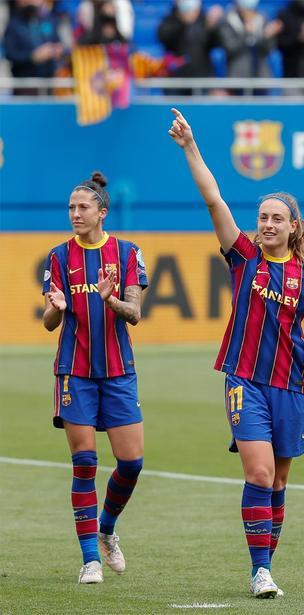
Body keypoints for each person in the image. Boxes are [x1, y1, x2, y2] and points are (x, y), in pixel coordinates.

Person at [168, 108, 304, 598]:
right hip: (244, 380)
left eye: (276, 219)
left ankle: (266, 563)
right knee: (260, 473)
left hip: (292, 384)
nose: (266, 224)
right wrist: (190, 148)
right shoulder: (243, 257)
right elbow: (214, 199)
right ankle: (260, 571)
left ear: (294, 227)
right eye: (262, 217)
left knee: (280, 482)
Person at [42, 172, 148, 584]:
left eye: (83, 207)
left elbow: (135, 314)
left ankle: (107, 528)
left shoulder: (127, 253)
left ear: (102, 212)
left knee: (132, 463)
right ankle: (90, 559)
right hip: (75, 370)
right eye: (71, 207)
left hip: (119, 370)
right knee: (85, 461)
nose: (75, 214)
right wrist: (58, 306)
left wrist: (111, 298)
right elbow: (50, 323)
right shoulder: (57, 256)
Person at [157, 0, 224, 95]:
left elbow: (218, 43)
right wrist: (182, 22)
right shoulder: (169, 19)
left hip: (202, 80)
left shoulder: (205, 21)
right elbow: (163, 38)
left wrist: (213, 27)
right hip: (176, 80)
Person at [218, 0, 282, 94]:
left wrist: (267, 36)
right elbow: (230, 48)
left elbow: (268, 50)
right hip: (237, 79)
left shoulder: (262, 17)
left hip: (260, 78)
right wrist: (246, 33)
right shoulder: (227, 19)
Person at [3, 0, 65, 93]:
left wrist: (56, 50)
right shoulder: (14, 24)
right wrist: (32, 57)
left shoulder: (49, 20)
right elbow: (9, 53)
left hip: (49, 83)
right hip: (24, 84)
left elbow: (59, 43)